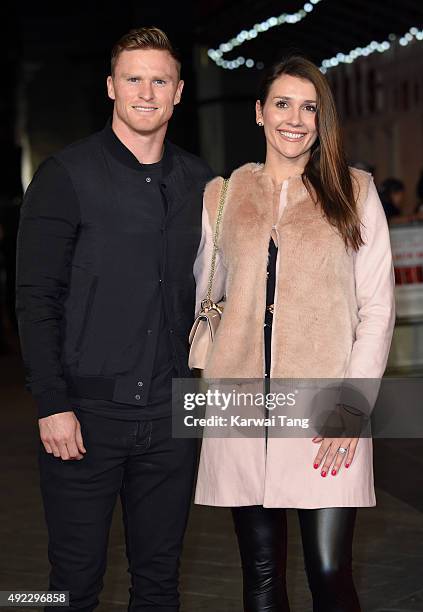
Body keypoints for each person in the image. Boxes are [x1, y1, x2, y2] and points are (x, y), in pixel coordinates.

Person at [16, 27, 213, 611]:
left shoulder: (202, 184)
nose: (147, 92)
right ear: (111, 87)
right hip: (85, 419)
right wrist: (52, 404)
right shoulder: (65, 176)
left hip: (172, 417)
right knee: (71, 586)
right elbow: (35, 297)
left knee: (159, 583)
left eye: (160, 80)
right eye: (134, 78)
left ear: (179, 92)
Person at [193, 55, 395, 611]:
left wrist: (351, 406)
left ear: (321, 120)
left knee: (330, 573)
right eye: (282, 103)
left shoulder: (354, 192)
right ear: (259, 113)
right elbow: (208, 302)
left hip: (325, 413)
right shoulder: (223, 197)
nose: (295, 118)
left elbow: (377, 308)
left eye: (309, 107)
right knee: (260, 579)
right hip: (241, 409)